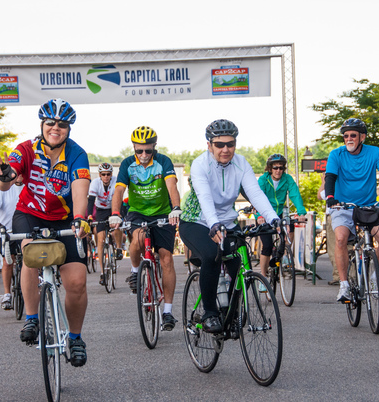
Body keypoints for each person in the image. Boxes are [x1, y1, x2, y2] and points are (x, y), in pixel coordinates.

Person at [0, 98, 91, 367]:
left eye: (61, 124)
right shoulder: (26, 149)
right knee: (31, 255)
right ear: (42, 124)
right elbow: (7, 178)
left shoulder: (77, 154)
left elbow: (81, 190)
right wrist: (3, 177)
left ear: (68, 128)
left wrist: (81, 219)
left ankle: (75, 337)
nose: (55, 128)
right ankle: (32, 318)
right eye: (50, 123)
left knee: (77, 282)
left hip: (65, 219)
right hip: (30, 214)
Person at [178, 119, 279, 333]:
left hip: (226, 222)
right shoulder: (199, 164)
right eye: (220, 145)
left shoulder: (241, 163)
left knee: (240, 269)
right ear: (209, 145)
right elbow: (205, 197)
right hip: (196, 221)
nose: (226, 149)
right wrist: (213, 224)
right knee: (211, 255)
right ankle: (210, 313)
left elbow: (255, 193)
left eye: (230, 144)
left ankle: (231, 316)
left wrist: (273, 218)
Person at [109, 126, 181, 330]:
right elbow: (119, 190)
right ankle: (134, 271)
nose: (143, 155)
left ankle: (167, 311)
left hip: (162, 212)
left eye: (148, 151)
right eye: (139, 150)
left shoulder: (163, 161)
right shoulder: (127, 164)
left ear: (154, 148)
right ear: (133, 147)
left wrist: (176, 208)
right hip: (138, 212)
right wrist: (115, 213)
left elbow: (172, 186)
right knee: (138, 239)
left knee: (166, 257)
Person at [325, 118, 379, 303]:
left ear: (362, 137)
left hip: (368, 206)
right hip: (342, 207)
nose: (349, 139)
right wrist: (330, 198)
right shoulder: (336, 154)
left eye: (353, 135)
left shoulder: (374, 152)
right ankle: (343, 286)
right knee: (341, 238)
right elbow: (330, 178)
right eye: (346, 136)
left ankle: (374, 279)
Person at [256, 153, 306, 281]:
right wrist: (259, 215)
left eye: (281, 168)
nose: (278, 170)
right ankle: (263, 276)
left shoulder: (287, 179)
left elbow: (295, 194)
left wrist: (301, 212)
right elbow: (257, 198)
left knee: (291, 228)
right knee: (266, 246)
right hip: (265, 213)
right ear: (269, 168)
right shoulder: (263, 180)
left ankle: (283, 255)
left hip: (279, 213)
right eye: (275, 168)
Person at [0, 173, 24, 310]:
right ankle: (7, 294)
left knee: (31, 259)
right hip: (6, 231)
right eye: (17, 174)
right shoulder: (3, 187)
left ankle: (34, 284)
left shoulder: (29, 186)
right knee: (7, 261)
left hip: (23, 231)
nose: (20, 177)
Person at [87, 162, 123, 286]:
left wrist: (118, 214)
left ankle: (118, 247)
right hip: (101, 210)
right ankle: (102, 273)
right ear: (100, 175)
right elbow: (91, 200)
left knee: (117, 223)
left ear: (111, 174)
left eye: (108, 174)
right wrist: (90, 216)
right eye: (103, 174)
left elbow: (119, 197)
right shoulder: (95, 183)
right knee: (101, 240)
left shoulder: (116, 181)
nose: (106, 177)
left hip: (113, 206)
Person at [317, 173, 339, 285]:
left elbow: (319, 195)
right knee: (348, 245)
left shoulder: (332, 185)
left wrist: (324, 183)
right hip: (350, 213)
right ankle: (352, 275)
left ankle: (338, 275)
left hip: (333, 215)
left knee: (334, 247)